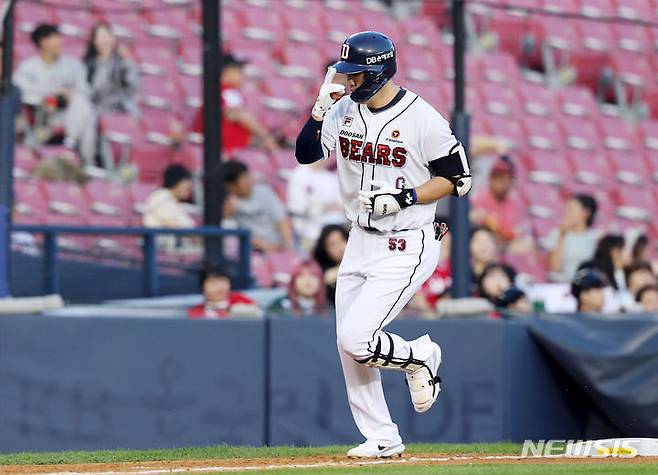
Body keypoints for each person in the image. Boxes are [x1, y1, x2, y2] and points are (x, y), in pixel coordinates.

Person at [295, 31, 472, 458]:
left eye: (355, 74)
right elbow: (305, 154)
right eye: (346, 74)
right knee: (347, 344)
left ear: (378, 71)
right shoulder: (341, 111)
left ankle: (421, 355)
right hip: (360, 239)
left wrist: (406, 196)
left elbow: (459, 179)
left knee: (358, 338)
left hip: (406, 242)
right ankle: (382, 436)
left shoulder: (422, 118)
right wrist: (320, 110)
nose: (348, 82)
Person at [13, 24, 97, 166]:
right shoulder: (28, 67)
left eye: (59, 37)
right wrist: (51, 95)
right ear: (43, 42)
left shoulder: (72, 64)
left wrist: (69, 94)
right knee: (86, 114)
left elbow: (85, 90)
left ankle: (73, 146)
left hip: (68, 115)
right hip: (41, 115)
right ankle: (86, 160)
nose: (59, 42)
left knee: (84, 105)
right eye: (54, 38)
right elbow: (21, 91)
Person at [193, 53, 278, 154]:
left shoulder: (217, 91)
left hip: (226, 150)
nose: (243, 75)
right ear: (225, 72)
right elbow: (241, 116)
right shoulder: (226, 91)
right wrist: (266, 137)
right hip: (228, 152)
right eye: (238, 70)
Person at [222, 160, 294, 253]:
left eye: (247, 176)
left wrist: (288, 246)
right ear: (231, 185)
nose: (248, 181)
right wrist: (227, 211)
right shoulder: (228, 203)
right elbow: (226, 227)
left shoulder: (265, 192)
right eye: (243, 179)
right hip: (250, 251)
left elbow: (282, 221)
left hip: (278, 247)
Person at [470, 155, 531, 250]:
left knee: (525, 246)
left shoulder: (512, 201)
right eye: (499, 177)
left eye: (508, 179)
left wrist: (494, 224)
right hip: (483, 244)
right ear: (491, 178)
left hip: (505, 246)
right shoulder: (479, 197)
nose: (504, 183)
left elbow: (512, 233)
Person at [83, 23, 140, 116]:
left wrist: (126, 61)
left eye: (106, 36)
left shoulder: (122, 62)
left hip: (121, 111)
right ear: (94, 41)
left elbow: (133, 85)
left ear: (113, 39)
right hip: (97, 112)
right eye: (100, 37)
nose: (104, 40)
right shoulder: (89, 65)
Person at [287, 158, 346, 248]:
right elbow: (297, 208)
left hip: (337, 227)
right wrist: (324, 207)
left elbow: (342, 204)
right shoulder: (299, 175)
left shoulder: (330, 177)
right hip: (309, 232)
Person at [546, 194, 598, 283]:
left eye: (572, 209)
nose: (568, 213)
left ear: (586, 212)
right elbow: (555, 267)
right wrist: (562, 235)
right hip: (561, 284)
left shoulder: (595, 237)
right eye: (567, 209)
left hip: (584, 285)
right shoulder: (557, 233)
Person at [188, 266, 260, 318]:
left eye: (223, 281)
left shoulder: (241, 300)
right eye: (213, 282)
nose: (219, 286)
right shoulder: (195, 312)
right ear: (203, 288)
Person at [312, 224, 349, 306]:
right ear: (326, 251)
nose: (340, 247)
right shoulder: (324, 273)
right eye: (332, 244)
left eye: (342, 240)